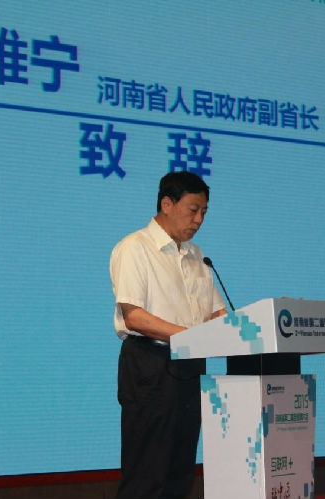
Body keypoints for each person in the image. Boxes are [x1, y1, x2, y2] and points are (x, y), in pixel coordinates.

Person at [109, 171, 227, 499]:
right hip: (150, 364)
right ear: (167, 204)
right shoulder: (135, 248)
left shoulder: (196, 256)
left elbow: (217, 314)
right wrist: (190, 336)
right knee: (147, 473)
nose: (199, 219)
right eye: (193, 210)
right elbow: (134, 316)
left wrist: (245, 330)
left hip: (191, 366)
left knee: (180, 470)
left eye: (204, 212)